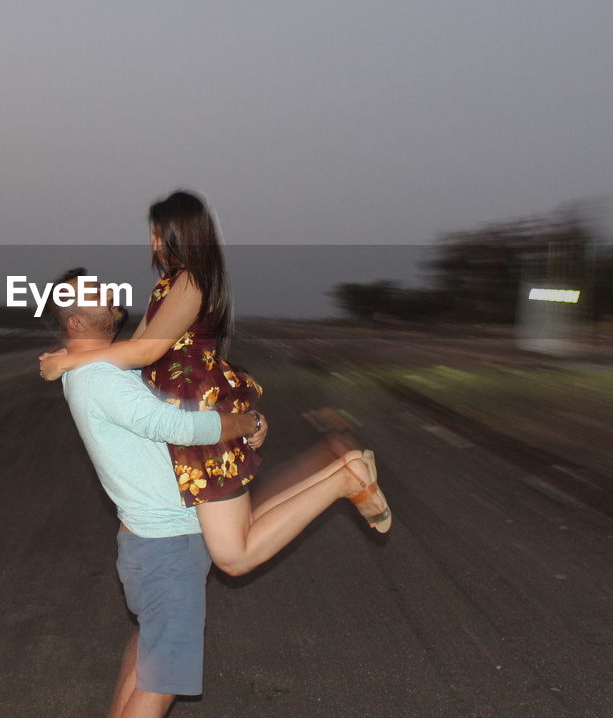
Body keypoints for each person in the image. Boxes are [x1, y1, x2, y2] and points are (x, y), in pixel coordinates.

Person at [41, 190, 390, 582]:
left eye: (158, 233)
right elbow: (130, 350)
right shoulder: (168, 285)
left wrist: (72, 359)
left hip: (198, 410)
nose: (153, 243)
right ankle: (342, 471)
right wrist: (77, 354)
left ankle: (345, 478)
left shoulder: (192, 280)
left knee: (234, 555)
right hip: (189, 410)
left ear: (180, 233)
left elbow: (144, 352)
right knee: (238, 533)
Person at [45, 267, 266, 718]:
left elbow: (162, 361)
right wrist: (246, 424)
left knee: (151, 650)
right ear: (77, 322)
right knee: (161, 685)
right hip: (167, 546)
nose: (109, 292)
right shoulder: (102, 378)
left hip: (154, 543)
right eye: (95, 294)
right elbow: (175, 426)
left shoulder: (99, 369)